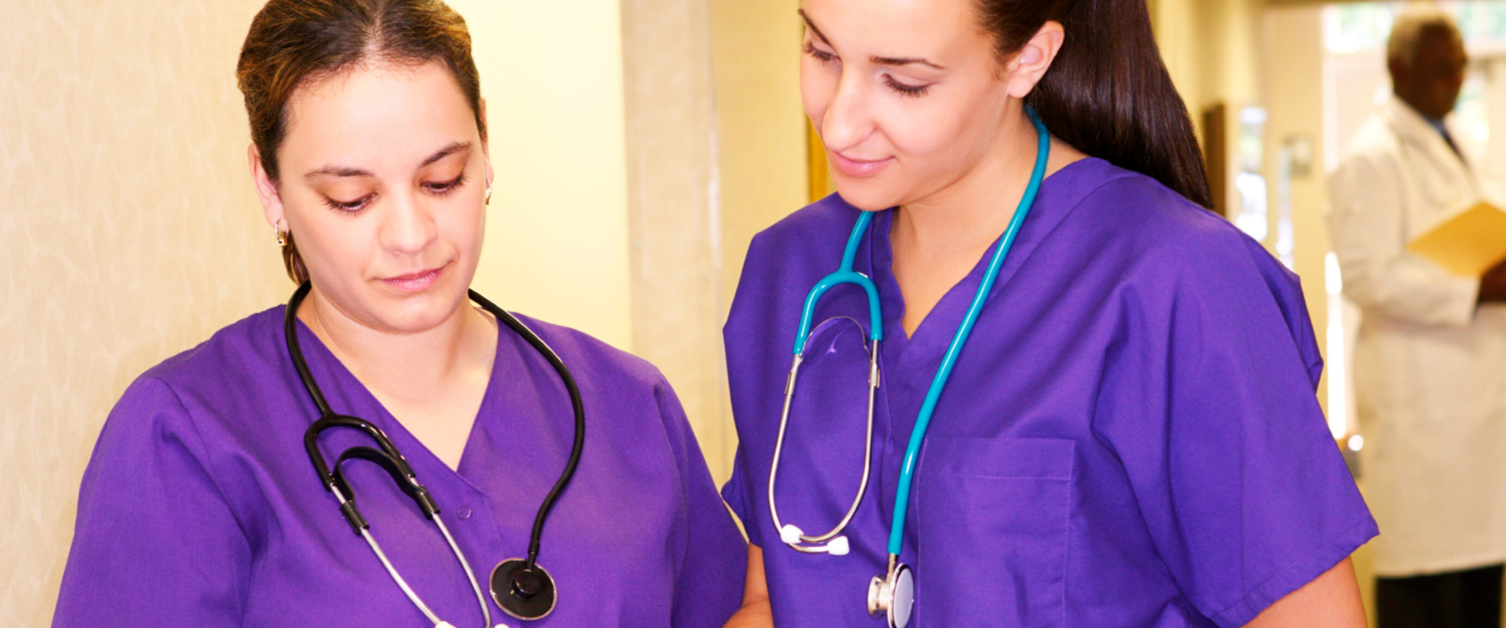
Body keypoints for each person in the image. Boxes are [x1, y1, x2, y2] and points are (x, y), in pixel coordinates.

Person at [52, 1, 745, 626]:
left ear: (486, 147)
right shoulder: (187, 436)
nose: (412, 235)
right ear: (270, 190)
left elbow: (738, 608)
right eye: (353, 198)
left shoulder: (627, 404)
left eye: (442, 179)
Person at [719, 0, 1375, 625]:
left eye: (905, 82)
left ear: (1028, 58)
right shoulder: (792, 275)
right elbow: (773, 597)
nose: (837, 121)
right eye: (821, 51)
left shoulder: (1175, 282)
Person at [1329, 8, 1506, 627]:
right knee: (1428, 593)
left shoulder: (1455, 140)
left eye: (1459, 66)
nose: (1454, 79)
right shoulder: (1371, 157)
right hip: (1424, 415)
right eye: (1440, 67)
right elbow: (1365, 275)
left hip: (1478, 414)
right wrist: (1474, 289)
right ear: (1398, 67)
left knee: (1481, 586)